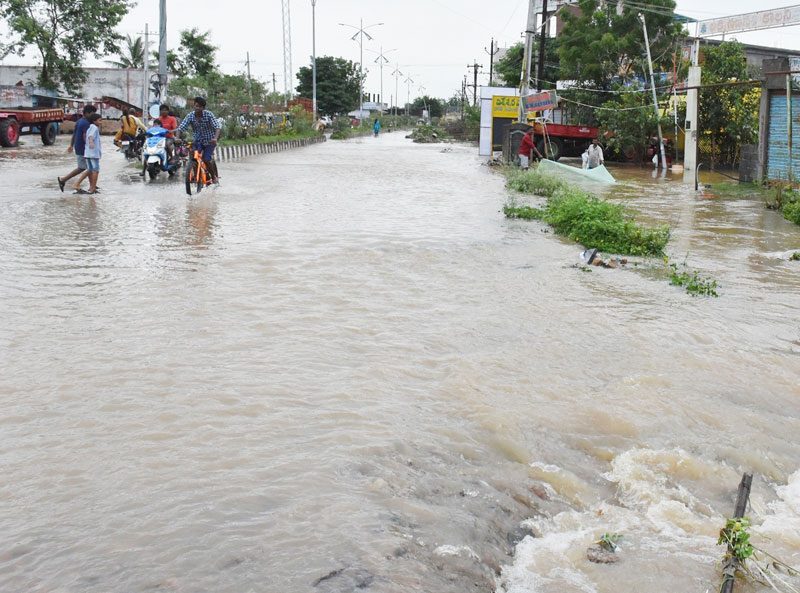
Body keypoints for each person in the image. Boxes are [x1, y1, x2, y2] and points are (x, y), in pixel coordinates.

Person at [177, 96, 222, 184]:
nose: (197, 108)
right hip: (198, 141)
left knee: (206, 159)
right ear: (194, 106)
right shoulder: (190, 116)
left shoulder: (208, 115)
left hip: (210, 141)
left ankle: (213, 177)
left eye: (200, 106)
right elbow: (180, 128)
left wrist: (215, 138)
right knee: (193, 155)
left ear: (203, 108)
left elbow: (217, 127)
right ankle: (195, 174)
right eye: (196, 106)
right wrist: (177, 138)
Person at [57, 104, 96, 192]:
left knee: (88, 167)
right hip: (83, 148)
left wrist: (71, 145)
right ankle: (63, 180)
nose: (94, 116)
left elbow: (74, 134)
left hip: (79, 147)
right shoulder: (86, 123)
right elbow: (86, 137)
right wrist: (91, 148)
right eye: (92, 114)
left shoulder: (79, 121)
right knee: (83, 168)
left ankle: (92, 186)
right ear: (87, 113)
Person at [82, 113, 103, 194]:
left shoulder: (90, 127)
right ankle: (93, 188)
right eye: (100, 120)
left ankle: (91, 187)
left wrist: (89, 143)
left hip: (88, 153)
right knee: (96, 170)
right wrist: (91, 142)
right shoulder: (94, 128)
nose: (101, 122)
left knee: (90, 170)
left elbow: (86, 136)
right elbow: (91, 136)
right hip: (94, 153)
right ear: (94, 121)